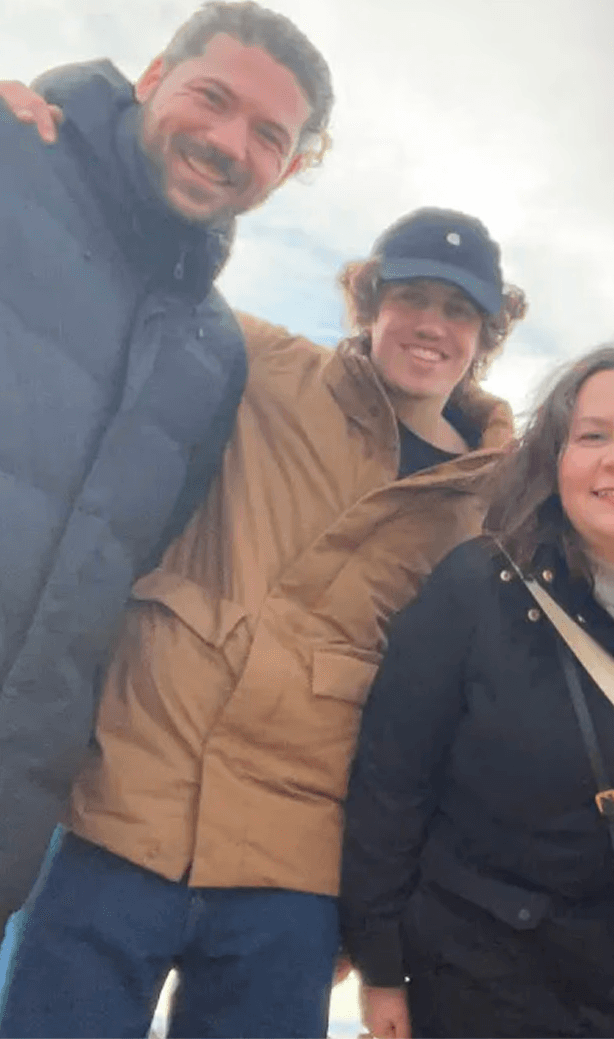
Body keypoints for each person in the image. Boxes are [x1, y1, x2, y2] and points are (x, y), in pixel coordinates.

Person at [0, 207, 524, 1038]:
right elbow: (108, 293)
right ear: (369, 302)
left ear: (486, 335)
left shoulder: (495, 504)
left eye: (459, 310)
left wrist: (377, 916)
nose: (431, 325)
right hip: (115, 811)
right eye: (411, 296)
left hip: (293, 871)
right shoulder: (262, 365)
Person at [339, 343, 614, 1038]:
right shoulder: (472, 589)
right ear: (553, 458)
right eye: (592, 436)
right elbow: (391, 785)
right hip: (482, 990)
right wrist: (380, 969)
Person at [0, 0, 333, 926]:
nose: (230, 142)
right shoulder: (11, 158)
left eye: (268, 135)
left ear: (289, 168)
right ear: (151, 78)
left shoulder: (212, 353)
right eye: (211, 98)